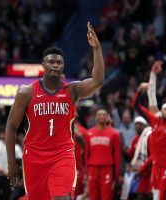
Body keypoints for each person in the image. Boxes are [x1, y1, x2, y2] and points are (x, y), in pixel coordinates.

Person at [6, 22, 105, 200]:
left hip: (63, 155)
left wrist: (96, 48)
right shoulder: (26, 92)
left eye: (59, 62)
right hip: (34, 158)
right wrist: (12, 163)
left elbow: (97, 81)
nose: (55, 65)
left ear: (63, 66)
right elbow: (11, 127)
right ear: (43, 65)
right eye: (51, 61)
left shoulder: (72, 90)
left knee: (62, 198)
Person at [132, 83, 166, 200]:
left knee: (163, 196)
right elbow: (136, 106)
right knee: (157, 196)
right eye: (165, 109)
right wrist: (139, 91)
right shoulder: (155, 121)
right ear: (161, 110)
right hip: (155, 166)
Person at [84, 108, 121, 200]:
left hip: (107, 169)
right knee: (93, 197)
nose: (102, 116)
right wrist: (85, 172)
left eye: (104, 114)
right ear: (95, 117)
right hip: (92, 168)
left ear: (108, 117)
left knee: (107, 197)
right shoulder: (88, 134)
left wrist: (117, 175)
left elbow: (117, 155)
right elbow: (86, 155)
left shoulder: (114, 134)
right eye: (99, 114)